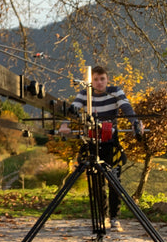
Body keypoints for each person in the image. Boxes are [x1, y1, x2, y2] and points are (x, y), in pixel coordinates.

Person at [59, 66, 144, 232]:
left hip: (111, 143)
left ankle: (114, 218)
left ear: (107, 79)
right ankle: (102, 217)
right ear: (91, 81)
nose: (99, 83)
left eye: (102, 79)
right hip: (91, 143)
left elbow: (126, 108)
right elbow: (72, 110)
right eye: (96, 79)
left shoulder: (115, 91)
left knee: (114, 181)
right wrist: (64, 125)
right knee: (96, 183)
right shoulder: (85, 94)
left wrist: (135, 123)